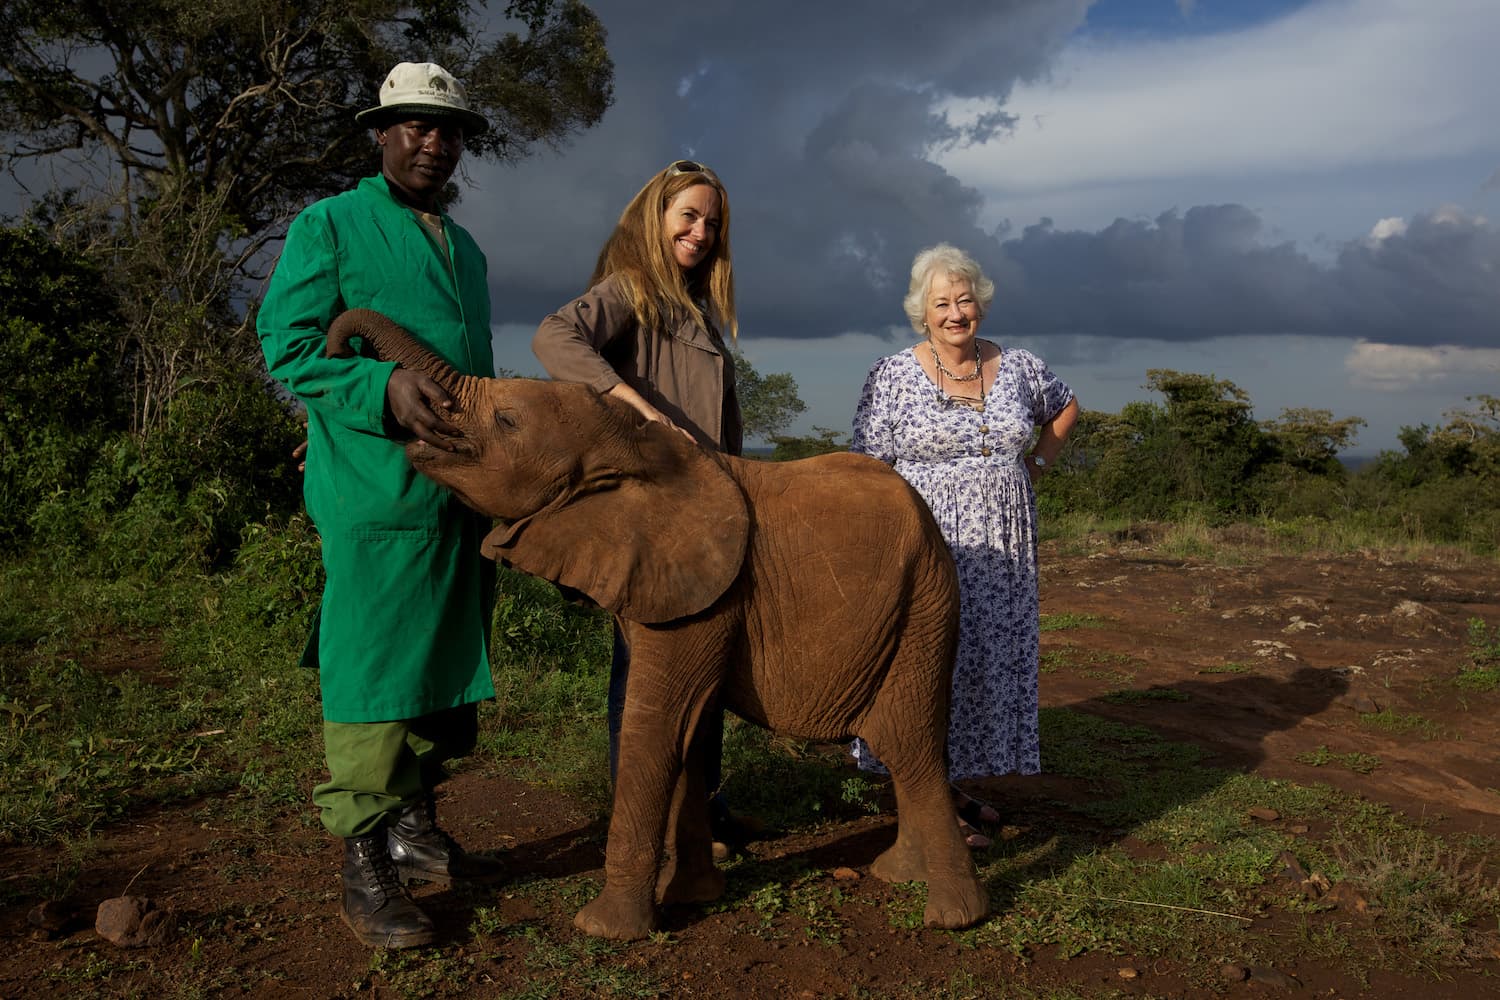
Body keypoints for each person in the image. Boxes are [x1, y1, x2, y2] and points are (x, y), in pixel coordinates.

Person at [257, 61, 504, 949]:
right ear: (382, 134)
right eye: (413, 125)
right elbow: (286, 347)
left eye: (447, 130)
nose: (432, 142)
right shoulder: (330, 224)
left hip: (456, 498)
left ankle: (413, 826)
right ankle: (363, 861)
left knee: (437, 663)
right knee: (371, 668)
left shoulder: (463, 248)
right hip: (374, 492)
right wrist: (379, 386)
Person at [531, 159, 755, 855]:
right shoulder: (632, 289)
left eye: (712, 222)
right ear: (655, 217)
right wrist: (635, 408)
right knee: (647, 672)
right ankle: (643, 825)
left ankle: (702, 809)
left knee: (706, 663)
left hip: (707, 509)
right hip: (654, 509)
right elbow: (552, 337)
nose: (700, 231)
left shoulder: (695, 306)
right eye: (688, 215)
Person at [850, 243, 1079, 849]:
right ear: (922, 313)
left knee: (980, 664)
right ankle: (922, 803)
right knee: (925, 666)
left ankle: (944, 789)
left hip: (1004, 550)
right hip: (926, 541)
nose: (956, 312)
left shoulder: (1021, 365)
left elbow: (1065, 406)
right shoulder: (892, 374)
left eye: (965, 299)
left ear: (981, 304)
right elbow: (866, 467)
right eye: (942, 303)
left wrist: (1037, 463)